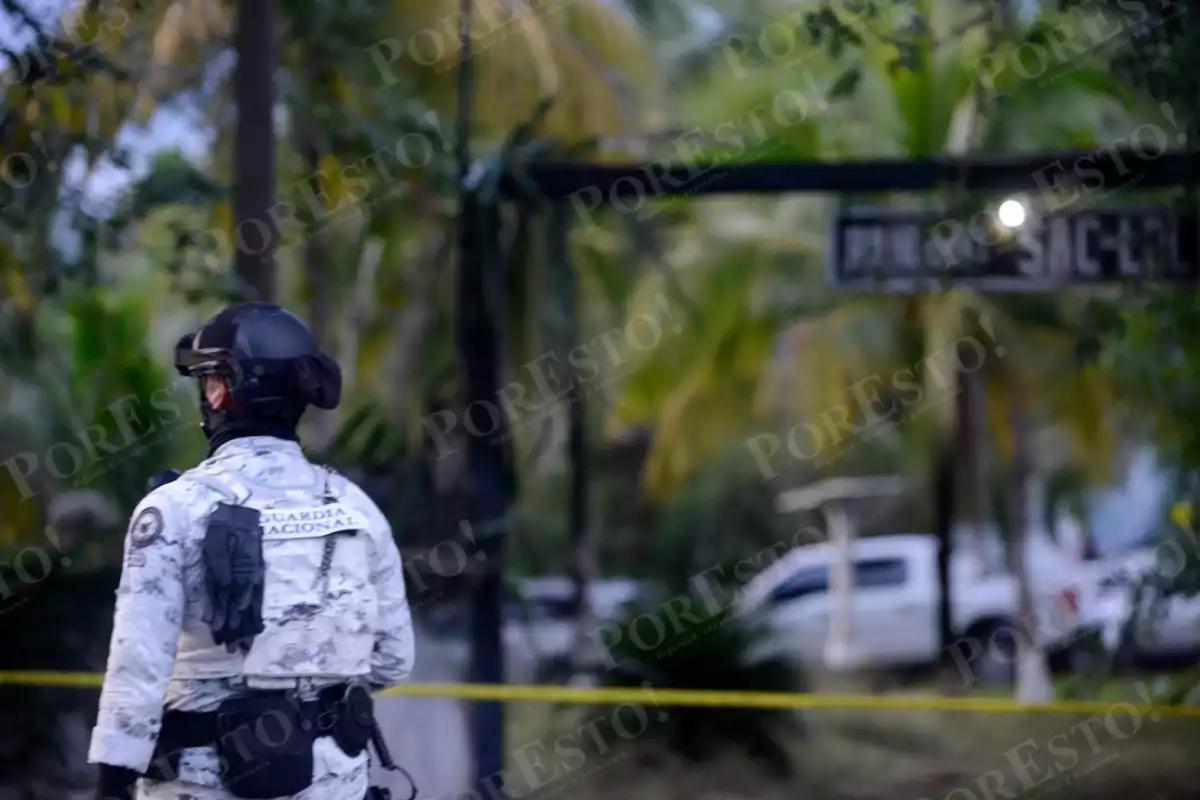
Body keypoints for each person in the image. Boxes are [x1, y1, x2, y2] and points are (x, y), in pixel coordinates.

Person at [88, 302, 414, 800]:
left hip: (203, 783)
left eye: (206, 380)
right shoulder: (356, 507)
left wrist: (111, 787)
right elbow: (392, 659)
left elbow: (137, 674)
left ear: (220, 390)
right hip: (336, 781)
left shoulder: (175, 509)